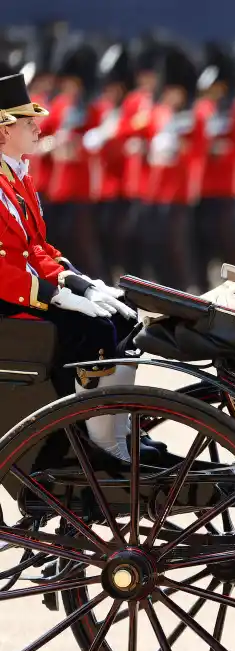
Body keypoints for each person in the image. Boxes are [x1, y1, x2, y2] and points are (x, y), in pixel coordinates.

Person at [0, 72, 160, 464]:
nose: (38, 127)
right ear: (2, 131)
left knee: (125, 319)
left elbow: (36, 249)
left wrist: (80, 284)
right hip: (7, 298)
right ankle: (93, 445)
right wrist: (54, 296)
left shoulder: (17, 176)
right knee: (94, 329)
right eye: (27, 122)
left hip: (22, 286)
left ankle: (115, 431)